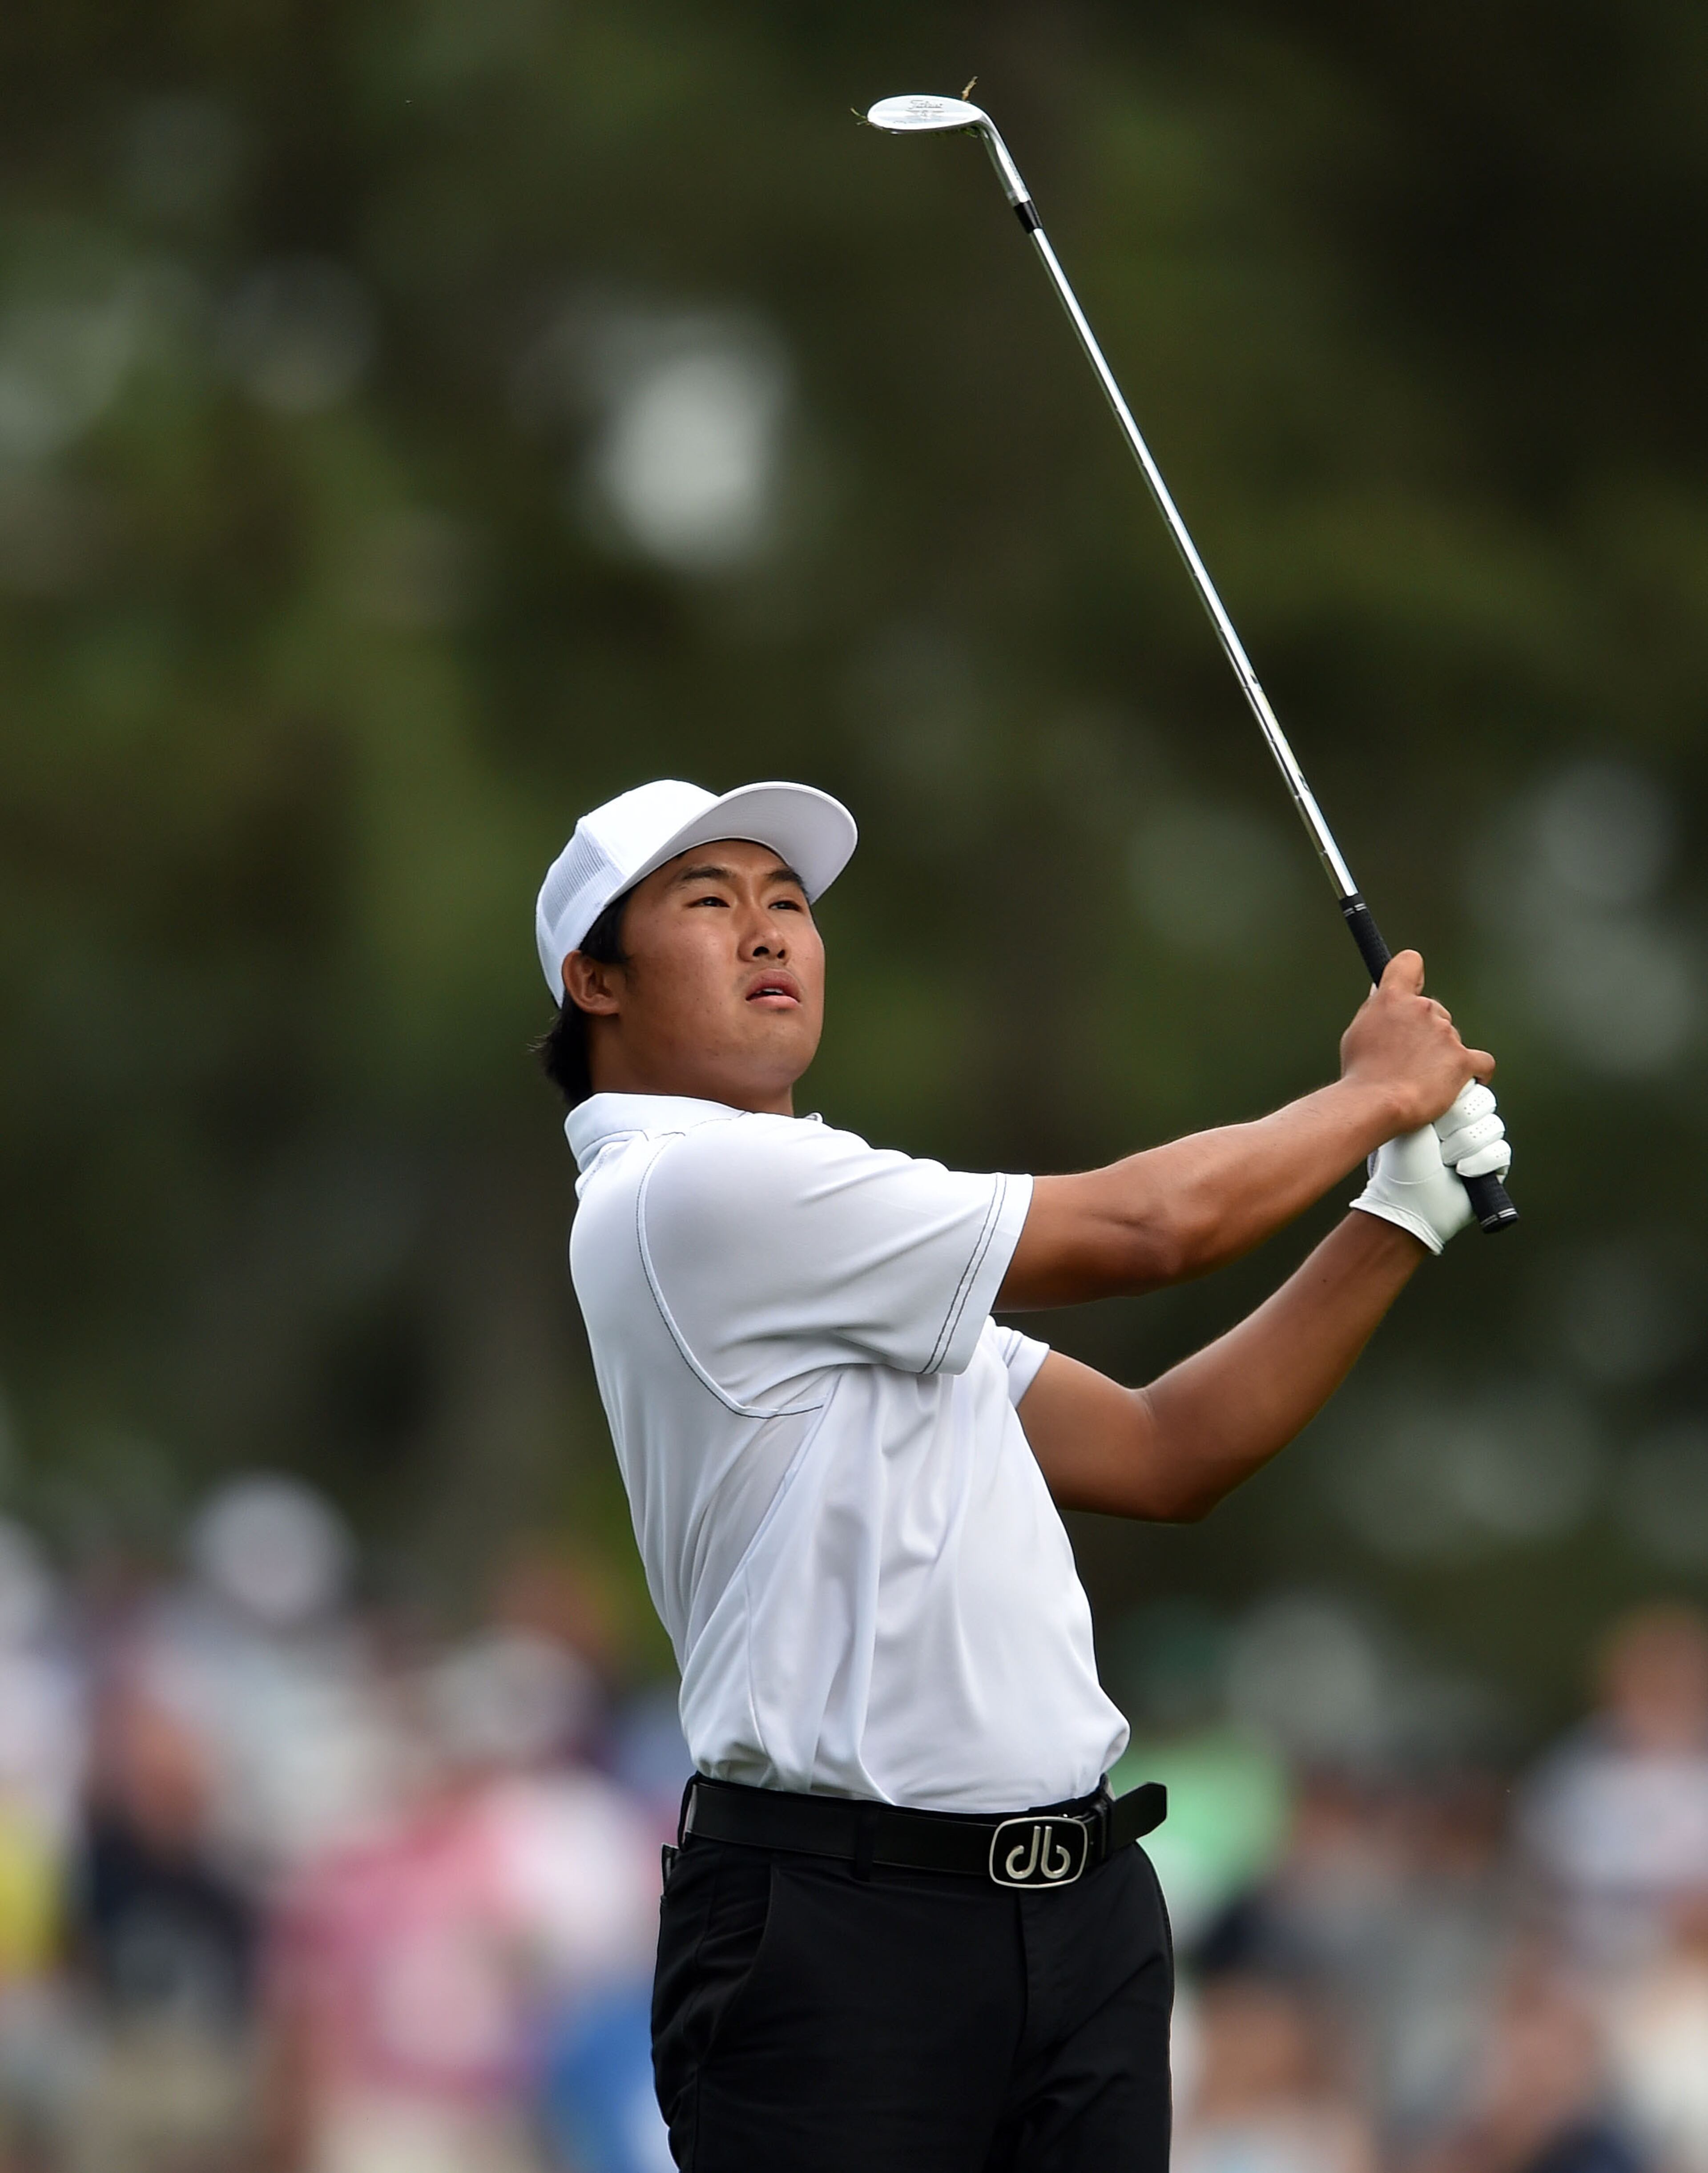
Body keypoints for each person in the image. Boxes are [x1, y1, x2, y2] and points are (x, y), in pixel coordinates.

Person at [533, 777, 1510, 2173]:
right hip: (839, 1935)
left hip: (1083, 1915)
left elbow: (1169, 1450)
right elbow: (1148, 1228)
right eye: (711, 905)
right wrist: (1369, 1096)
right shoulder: (687, 1196)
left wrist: (1398, 1214)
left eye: (790, 907)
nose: (770, 936)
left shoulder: (834, 1234)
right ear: (596, 980)